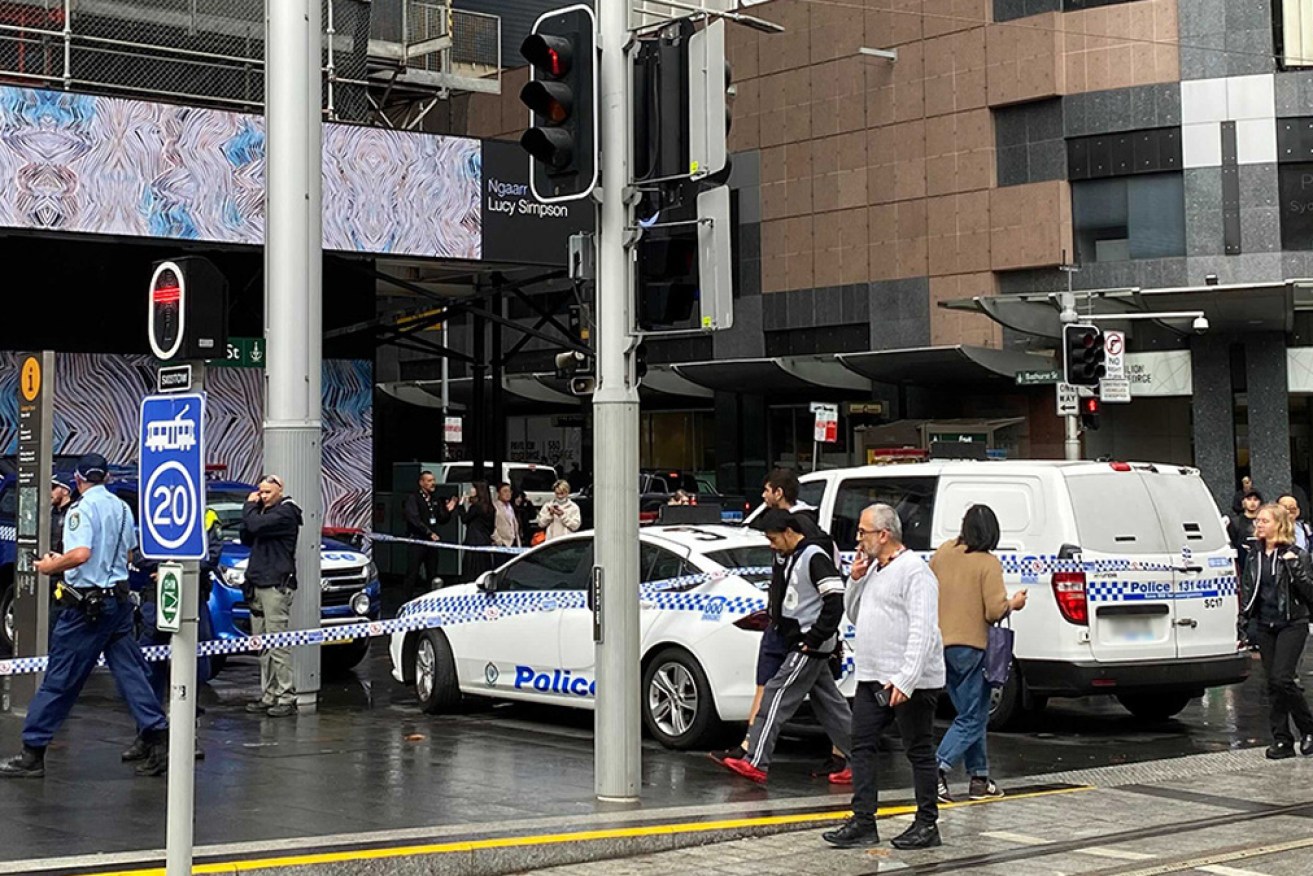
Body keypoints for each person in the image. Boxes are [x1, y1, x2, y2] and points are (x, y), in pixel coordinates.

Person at [0, 453, 169, 778]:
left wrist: (51, 566)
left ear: (78, 480)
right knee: (131, 673)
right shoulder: (121, 508)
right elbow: (130, 551)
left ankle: (32, 752)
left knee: (59, 680)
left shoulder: (81, 509)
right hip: (118, 604)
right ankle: (156, 735)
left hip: (87, 608)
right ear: (105, 477)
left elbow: (80, 554)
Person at [711, 467, 849, 781]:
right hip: (805, 639)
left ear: (788, 532)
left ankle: (757, 759)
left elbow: (834, 598)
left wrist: (813, 638)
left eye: (773, 540)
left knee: (776, 692)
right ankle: (859, 757)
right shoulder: (799, 551)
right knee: (830, 704)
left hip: (809, 643)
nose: (772, 546)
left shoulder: (812, 554)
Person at [823, 503, 944, 850]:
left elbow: (923, 630)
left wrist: (906, 679)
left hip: (911, 681)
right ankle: (863, 820)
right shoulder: (875, 569)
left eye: (864, 532)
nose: (859, 540)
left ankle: (926, 823)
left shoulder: (914, 573)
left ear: (884, 534)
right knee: (860, 745)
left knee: (918, 750)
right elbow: (856, 613)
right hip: (872, 675)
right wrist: (856, 580)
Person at [931, 505, 1027, 803]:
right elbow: (994, 610)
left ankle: (979, 777)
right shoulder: (988, 563)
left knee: (970, 714)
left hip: (941, 644)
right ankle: (936, 769)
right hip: (973, 646)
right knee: (973, 716)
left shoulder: (944, 552)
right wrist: (1014, 603)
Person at [1237, 502, 1313, 760]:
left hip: (1292, 623)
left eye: (1264, 521)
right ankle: (1282, 739)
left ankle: (1308, 729)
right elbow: (1248, 590)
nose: (1258, 524)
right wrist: (1244, 623)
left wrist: (1295, 569)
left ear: (1278, 525)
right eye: (1257, 520)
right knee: (1273, 684)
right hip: (1265, 624)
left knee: (1283, 678)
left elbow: (1309, 592)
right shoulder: (1255, 555)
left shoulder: (1296, 553)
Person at [240, 474, 302, 718]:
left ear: (280, 491)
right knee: (262, 645)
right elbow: (247, 534)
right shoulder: (262, 513)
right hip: (257, 582)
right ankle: (269, 694)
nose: (262, 496)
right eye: (261, 492)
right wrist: (253, 510)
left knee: (278, 644)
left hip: (275, 585)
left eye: (267, 492)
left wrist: (249, 506)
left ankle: (287, 696)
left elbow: (253, 526)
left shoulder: (286, 513)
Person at [402, 471, 457, 597]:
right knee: (413, 572)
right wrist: (428, 532)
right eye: (429, 481)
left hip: (432, 543)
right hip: (417, 540)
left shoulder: (435, 499)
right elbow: (414, 519)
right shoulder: (414, 498)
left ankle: (431, 598)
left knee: (432, 573)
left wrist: (448, 510)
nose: (433, 483)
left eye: (433, 480)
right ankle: (406, 599)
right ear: (421, 483)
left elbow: (440, 519)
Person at [459, 481, 497, 582]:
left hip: (473, 541)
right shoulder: (490, 508)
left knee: (471, 570)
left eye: (473, 488)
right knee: (483, 568)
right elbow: (492, 527)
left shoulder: (476, 507)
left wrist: (461, 506)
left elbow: (464, 519)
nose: (471, 490)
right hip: (485, 540)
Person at [1229, 489, 1263, 573]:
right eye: (1249, 499)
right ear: (1243, 502)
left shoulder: (1264, 521)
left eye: (1255, 499)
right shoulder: (1235, 523)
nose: (1252, 503)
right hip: (1243, 565)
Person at [492, 482, 522, 550]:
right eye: (505, 491)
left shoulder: (511, 507)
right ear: (498, 493)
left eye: (509, 491)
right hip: (502, 544)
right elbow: (491, 526)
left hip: (514, 543)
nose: (508, 494)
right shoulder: (494, 507)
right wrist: (499, 541)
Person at [50, 476, 73, 553]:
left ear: (65, 491)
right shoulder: (49, 511)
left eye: (52, 488)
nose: (49, 492)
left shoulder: (75, 511)